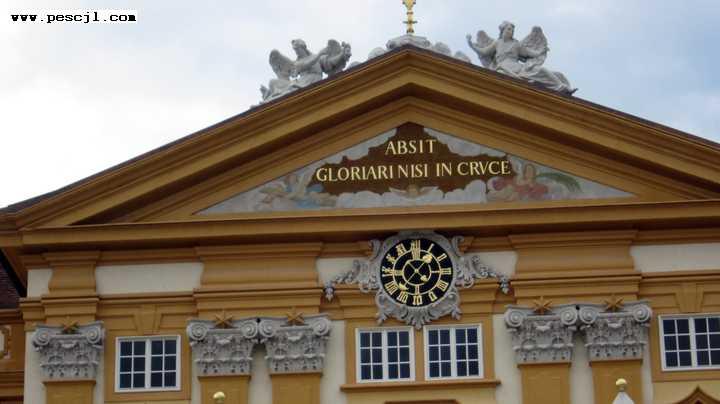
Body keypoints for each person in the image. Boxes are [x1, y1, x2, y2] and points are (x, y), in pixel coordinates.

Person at [467, 21, 575, 94]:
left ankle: (560, 86)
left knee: (542, 70)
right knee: (501, 73)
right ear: (503, 30)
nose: (511, 31)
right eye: (509, 29)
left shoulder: (516, 44)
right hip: (503, 69)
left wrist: (541, 51)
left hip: (519, 69)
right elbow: (484, 52)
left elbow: (530, 53)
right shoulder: (497, 43)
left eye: (512, 30)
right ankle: (523, 82)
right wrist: (471, 44)